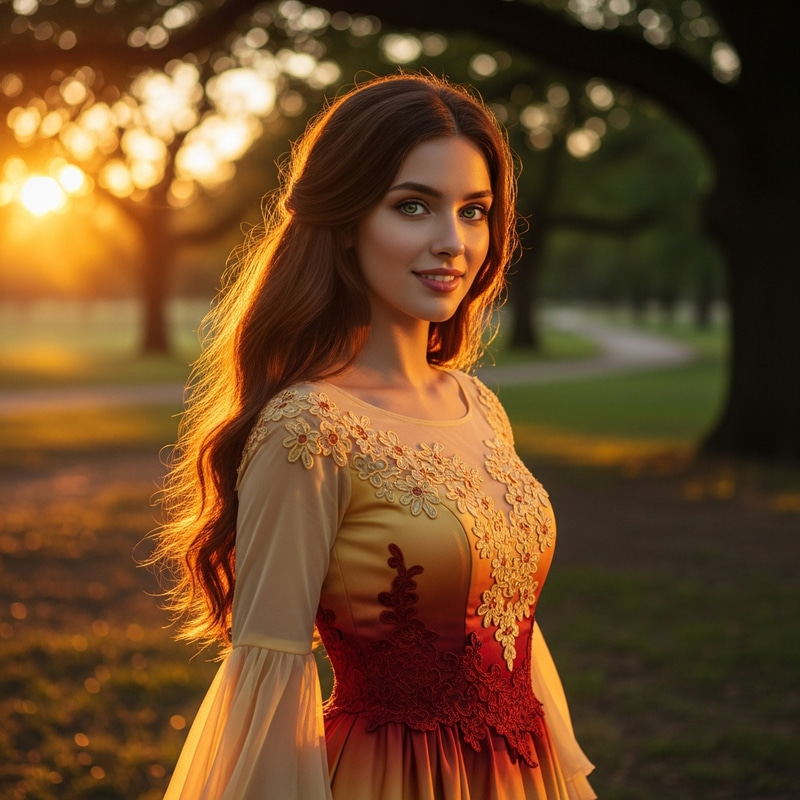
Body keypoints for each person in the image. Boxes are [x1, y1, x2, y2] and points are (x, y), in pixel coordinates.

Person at [155, 73, 596, 799]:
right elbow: (269, 670)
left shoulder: (478, 403)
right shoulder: (307, 430)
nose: (453, 242)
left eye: (475, 210)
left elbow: (506, 624)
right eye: (413, 206)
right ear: (345, 218)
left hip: (521, 773)